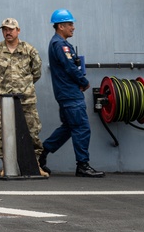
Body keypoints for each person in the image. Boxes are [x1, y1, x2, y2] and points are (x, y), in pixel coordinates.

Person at [40, 9, 104, 178]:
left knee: (69, 127)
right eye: (70, 24)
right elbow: (70, 68)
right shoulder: (60, 45)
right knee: (81, 128)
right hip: (70, 93)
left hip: (66, 92)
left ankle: (41, 152)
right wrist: (83, 82)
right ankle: (83, 165)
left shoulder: (59, 44)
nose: (73, 27)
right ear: (60, 26)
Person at [0, 17, 46, 176]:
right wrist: (3, 85)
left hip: (27, 99)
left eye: (11, 29)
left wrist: (24, 86)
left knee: (33, 132)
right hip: (5, 100)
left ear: (18, 30)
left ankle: (35, 165)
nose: (7, 32)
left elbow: (36, 73)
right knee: (4, 132)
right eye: (5, 29)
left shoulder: (29, 50)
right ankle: (7, 166)